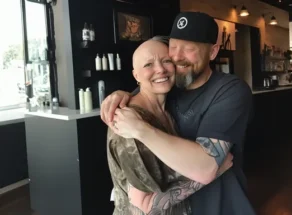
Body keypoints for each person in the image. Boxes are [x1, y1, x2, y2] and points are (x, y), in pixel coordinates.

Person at [103, 12, 256, 215]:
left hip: (221, 205)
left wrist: (142, 129)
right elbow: (147, 87)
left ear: (212, 52)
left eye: (189, 48)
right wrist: (121, 96)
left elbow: (206, 166)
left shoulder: (230, 90)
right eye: (173, 47)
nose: (177, 57)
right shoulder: (168, 88)